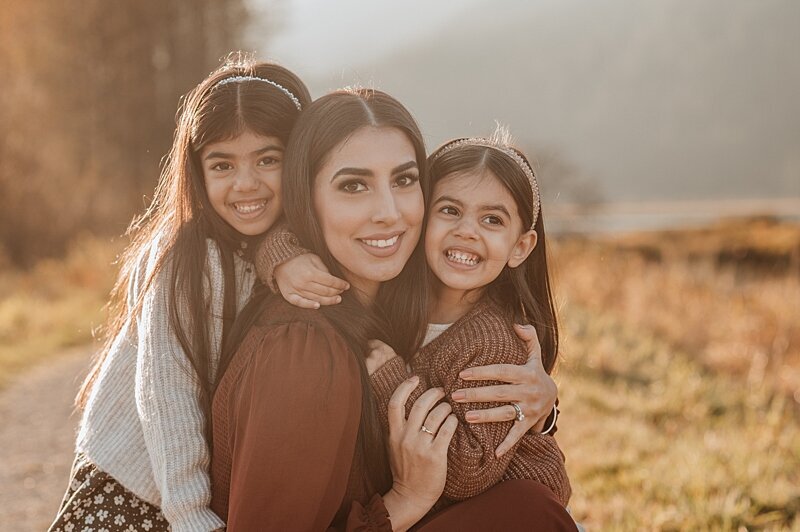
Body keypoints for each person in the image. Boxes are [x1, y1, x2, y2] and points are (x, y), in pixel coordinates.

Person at [211, 88, 576, 530]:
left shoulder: (397, 298)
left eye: (404, 180)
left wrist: (542, 411)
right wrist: (406, 499)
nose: (388, 212)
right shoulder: (303, 352)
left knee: (529, 511)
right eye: (353, 185)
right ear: (304, 199)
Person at [48, 56, 313, 532]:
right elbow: (166, 396)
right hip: (133, 489)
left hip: (191, 494)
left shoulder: (269, 247)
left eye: (268, 159)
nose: (245, 183)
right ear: (196, 171)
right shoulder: (184, 260)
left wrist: (278, 252)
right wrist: (192, 517)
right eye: (222, 164)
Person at [366, 127, 572, 509]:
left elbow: (468, 471)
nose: (466, 231)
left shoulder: (491, 341)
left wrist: (390, 380)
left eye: (492, 220)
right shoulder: (393, 294)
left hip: (509, 513)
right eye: (450, 210)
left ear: (520, 247)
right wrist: (283, 260)